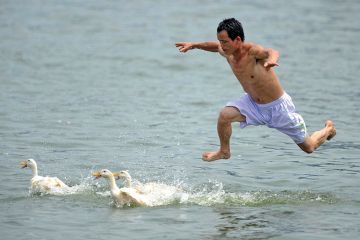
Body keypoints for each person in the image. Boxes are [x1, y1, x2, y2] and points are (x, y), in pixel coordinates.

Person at [175, 18, 336, 162]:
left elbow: (272, 51)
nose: (222, 46)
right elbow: (214, 46)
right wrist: (194, 45)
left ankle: (328, 129)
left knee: (309, 147)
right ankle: (224, 151)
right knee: (224, 116)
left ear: (237, 39)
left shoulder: (252, 52)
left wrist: (272, 61)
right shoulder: (227, 52)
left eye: (225, 41)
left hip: (278, 108)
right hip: (252, 104)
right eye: (220, 41)